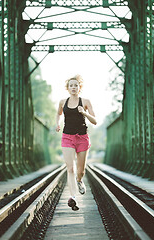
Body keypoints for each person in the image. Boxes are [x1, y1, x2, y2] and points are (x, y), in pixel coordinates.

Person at [56, 74, 97, 211]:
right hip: (67, 137)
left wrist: (84, 113)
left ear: (80, 88)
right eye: (71, 85)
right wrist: (57, 124)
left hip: (82, 138)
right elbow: (58, 113)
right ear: (67, 88)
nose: (73, 87)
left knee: (80, 171)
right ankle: (73, 197)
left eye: (76, 85)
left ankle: (79, 181)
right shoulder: (63, 102)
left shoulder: (85, 101)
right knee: (70, 168)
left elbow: (95, 121)